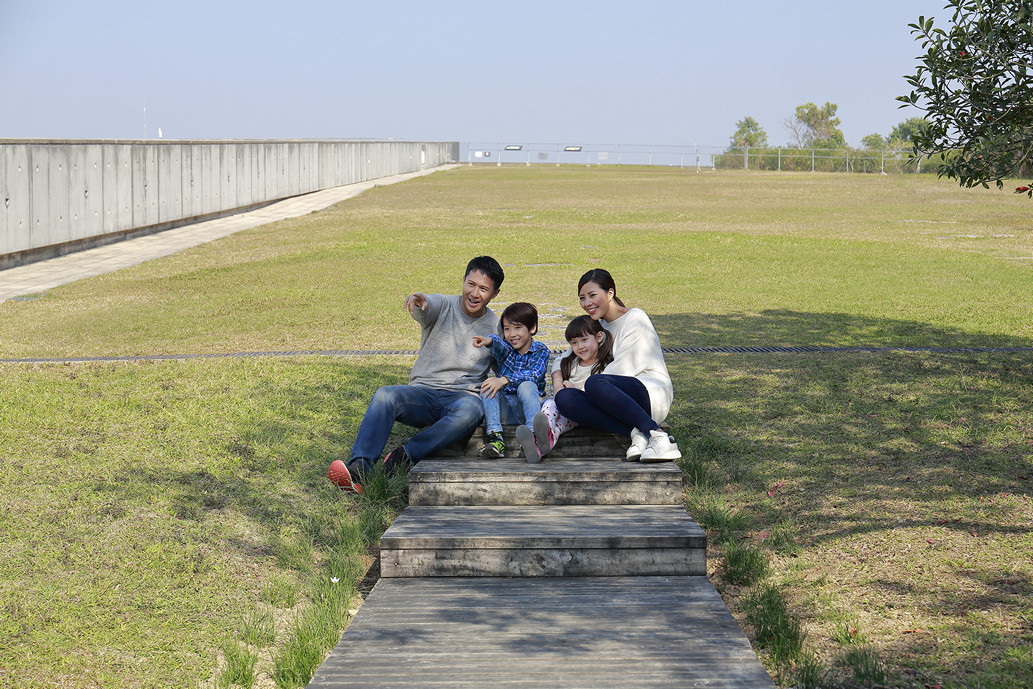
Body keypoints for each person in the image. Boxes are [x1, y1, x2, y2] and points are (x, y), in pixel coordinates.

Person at [327, 256, 504, 494]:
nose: (475, 293)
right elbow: (427, 307)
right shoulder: (444, 304)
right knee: (385, 395)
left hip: (462, 397)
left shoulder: (496, 326)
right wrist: (420, 302)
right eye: (470, 284)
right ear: (462, 280)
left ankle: (405, 455)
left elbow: (505, 365)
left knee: (472, 410)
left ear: (495, 293)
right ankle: (360, 467)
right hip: (422, 392)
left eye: (483, 289)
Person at [551, 268, 680, 462]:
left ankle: (659, 436)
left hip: (649, 393)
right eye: (582, 298)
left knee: (595, 383)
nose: (587, 304)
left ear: (610, 293)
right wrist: (558, 385)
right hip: (610, 398)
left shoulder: (635, 318)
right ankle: (637, 433)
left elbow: (622, 371)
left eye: (592, 295)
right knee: (564, 398)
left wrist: (578, 386)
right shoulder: (598, 326)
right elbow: (561, 359)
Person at [528, 315, 614, 461]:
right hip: (563, 410)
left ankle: (537, 435)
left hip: (582, 411)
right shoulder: (571, 363)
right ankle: (542, 444)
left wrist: (574, 390)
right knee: (555, 414)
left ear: (599, 337)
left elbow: (601, 394)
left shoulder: (605, 366)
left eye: (584, 340)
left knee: (554, 408)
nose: (580, 346)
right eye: (574, 343)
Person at [471, 302, 550, 461]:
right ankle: (495, 439)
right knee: (489, 384)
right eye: (507, 329)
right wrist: (489, 341)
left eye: (517, 327)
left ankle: (531, 436)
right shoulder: (507, 349)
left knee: (527, 385)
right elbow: (499, 345)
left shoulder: (541, 350)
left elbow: (535, 373)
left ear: (532, 328)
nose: (512, 334)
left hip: (525, 410)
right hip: (505, 410)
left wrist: (505, 380)